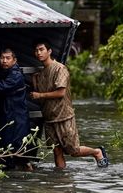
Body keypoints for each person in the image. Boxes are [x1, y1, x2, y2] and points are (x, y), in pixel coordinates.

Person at [30, 38, 109, 169]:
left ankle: (97, 152)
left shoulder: (60, 69)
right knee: (56, 151)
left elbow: (60, 92)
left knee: (74, 150)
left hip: (64, 116)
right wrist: (35, 83)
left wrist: (40, 95)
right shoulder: (40, 74)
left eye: (41, 49)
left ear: (49, 51)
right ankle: (61, 181)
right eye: (36, 50)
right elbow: (38, 95)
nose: (39, 53)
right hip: (49, 118)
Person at [0, 48, 33, 170]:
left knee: (19, 150)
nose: (4, 61)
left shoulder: (16, 75)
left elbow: (2, 87)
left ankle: (26, 171)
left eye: (8, 58)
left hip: (17, 118)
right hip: (9, 116)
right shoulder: (4, 72)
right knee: (7, 148)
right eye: (2, 58)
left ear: (14, 60)